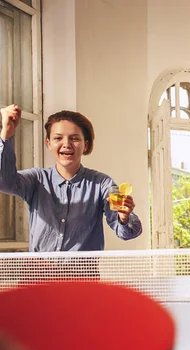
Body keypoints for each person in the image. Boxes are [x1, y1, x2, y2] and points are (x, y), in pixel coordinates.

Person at [0, 105, 142, 278]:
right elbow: (4, 182)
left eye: (74, 138)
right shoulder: (36, 179)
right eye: (58, 138)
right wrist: (7, 132)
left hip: (82, 277)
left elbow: (127, 233)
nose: (66, 144)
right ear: (48, 143)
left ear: (85, 144)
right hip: (36, 273)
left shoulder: (103, 183)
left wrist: (125, 217)